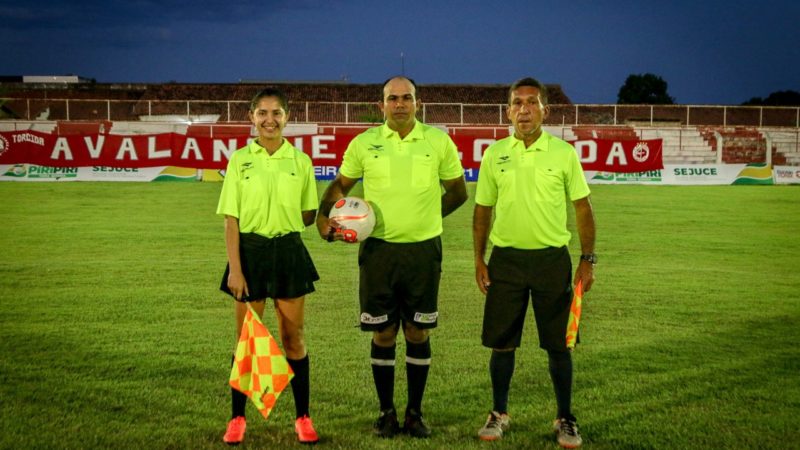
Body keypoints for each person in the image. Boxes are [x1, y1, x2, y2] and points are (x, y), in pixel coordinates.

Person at [316, 76, 468, 438]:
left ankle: (415, 413)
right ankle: (386, 412)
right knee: (383, 331)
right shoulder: (365, 143)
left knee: (417, 331)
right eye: (392, 98)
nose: (400, 104)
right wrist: (325, 217)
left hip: (423, 251)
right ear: (381, 104)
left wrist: (426, 218)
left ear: (418, 102)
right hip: (378, 252)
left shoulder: (437, 141)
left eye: (407, 98)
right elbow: (340, 185)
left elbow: (458, 192)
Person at [472, 77, 596, 448]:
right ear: (508, 110)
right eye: (516, 103)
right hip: (505, 260)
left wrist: (587, 259)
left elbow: (583, 208)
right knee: (501, 343)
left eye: (531, 102)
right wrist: (479, 258)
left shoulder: (562, 153)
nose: (523, 109)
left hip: (551, 261)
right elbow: (482, 210)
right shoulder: (495, 154)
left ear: (545, 109)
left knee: (559, 345)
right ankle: (498, 412)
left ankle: (565, 417)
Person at [216, 87, 320, 445]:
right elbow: (231, 220)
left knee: (293, 338)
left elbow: (308, 215)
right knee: (247, 340)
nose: (269, 120)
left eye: (276, 113)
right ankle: (237, 419)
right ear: (251, 117)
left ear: (287, 117)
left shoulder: (301, 162)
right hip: (250, 253)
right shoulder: (239, 160)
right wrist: (236, 268)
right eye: (262, 113)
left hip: (289, 251)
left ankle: (303, 417)